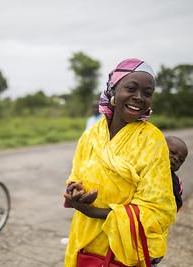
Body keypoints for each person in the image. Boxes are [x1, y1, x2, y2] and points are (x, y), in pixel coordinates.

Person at [63, 58, 176, 267]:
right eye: (131, 89)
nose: (139, 98)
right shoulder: (91, 135)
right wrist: (74, 191)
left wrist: (93, 212)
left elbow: (157, 209)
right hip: (84, 242)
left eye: (147, 93)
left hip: (123, 250)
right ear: (112, 90)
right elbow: (75, 175)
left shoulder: (152, 140)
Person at [165, 135, 188, 211]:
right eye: (172, 152)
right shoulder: (142, 165)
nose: (176, 158)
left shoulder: (176, 183)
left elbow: (176, 205)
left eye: (181, 160)